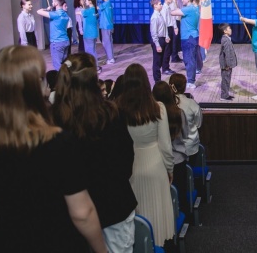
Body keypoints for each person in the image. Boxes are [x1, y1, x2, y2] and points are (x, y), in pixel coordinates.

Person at [0, 45, 107, 253]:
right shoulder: (59, 143)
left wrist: (7, 242)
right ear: (35, 86)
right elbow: (82, 213)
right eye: (43, 79)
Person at [51, 53, 137, 253]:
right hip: (114, 209)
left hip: (70, 215)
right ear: (93, 82)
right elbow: (126, 163)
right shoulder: (111, 115)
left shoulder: (54, 119)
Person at [116, 64, 175, 247]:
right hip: (156, 166)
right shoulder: (158, 108)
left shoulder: (118, 109)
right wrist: (170, 169)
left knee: (138, 216)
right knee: (158, 216)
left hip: (131, 168)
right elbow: (166, 145)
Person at [152, 81, 189, 215]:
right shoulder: (179, 113)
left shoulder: (152, 115)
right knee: (180, 194)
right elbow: (186, 134)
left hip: (159, 161)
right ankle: (185, 219)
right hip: (178, 160)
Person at [169, 73, 203, 168]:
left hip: (172, 150)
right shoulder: (192, 104)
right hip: (191, 147)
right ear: (184, 87)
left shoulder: (165, 105)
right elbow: (198, 124)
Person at [170, 0, 199, 89]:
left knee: (189, 60)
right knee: (191, 60)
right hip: (192, 37)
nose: (182, 0)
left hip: (188, 38)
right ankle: (191, 80)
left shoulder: (188, 9)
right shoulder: (194, 8)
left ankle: (191, 82)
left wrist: (171, 3)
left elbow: (172, 13)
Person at [37, 0, 70, 71]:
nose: (52, 3)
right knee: (66, 62)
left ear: (56, 3)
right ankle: (70, 73)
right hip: (65, 41)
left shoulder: (55, 14)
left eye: (52, 2)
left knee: (57, 64)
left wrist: (47, 9)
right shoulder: (66, 14)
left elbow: (38, 11)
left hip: (57, 42)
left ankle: (60, 77)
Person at [150, 0, 169, 83]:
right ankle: (157, 81)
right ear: (155, 6)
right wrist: (157, 45)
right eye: (160, 4)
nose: (161, 5)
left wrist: (166, 36)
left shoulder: (160, 15)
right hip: (158, 40)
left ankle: (159, 79)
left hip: (162, 39)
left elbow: (164, 27)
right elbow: (154, 33)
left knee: (160, 61)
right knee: (157, 62)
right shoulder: (154, 17)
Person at [218, 23, 237, 101]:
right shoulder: (226, 40)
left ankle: (226, 94)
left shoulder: (226, 39)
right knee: (225, 79)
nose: (231, 29)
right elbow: (227, 53)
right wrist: (228, 64)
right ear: (225, 31)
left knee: (227, 79)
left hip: (227, 64)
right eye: (229, 28)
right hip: (226, 65)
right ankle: (224, 96)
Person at [161, 0, 178, 75]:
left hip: (170, 28)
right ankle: (165, 68)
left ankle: (167, 67)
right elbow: (164, 23)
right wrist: (166, 35)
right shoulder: (164, 9)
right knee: (167, 50)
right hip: (166, 29)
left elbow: (173, 18)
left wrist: (175, 27)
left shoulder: (169, 7)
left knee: (169, 49)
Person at [82, 0, 100, 68]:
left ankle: (94, 67)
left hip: (88, 34)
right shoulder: (95, 11)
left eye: (86, 0)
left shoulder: (88, 11)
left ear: (90, 2)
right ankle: (96, 66)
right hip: (94, 34)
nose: (85, 1)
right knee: (93, 51)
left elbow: (82, 12)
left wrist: (82, 5)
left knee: (90, 52)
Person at [98, 0, 115, 65]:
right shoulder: (109, 3)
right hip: (109, 25)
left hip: (105, 26)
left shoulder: (105, 4)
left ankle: (110, 58)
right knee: (109, 42)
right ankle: (110, 58)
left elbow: (97, 8)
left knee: (106, 43)